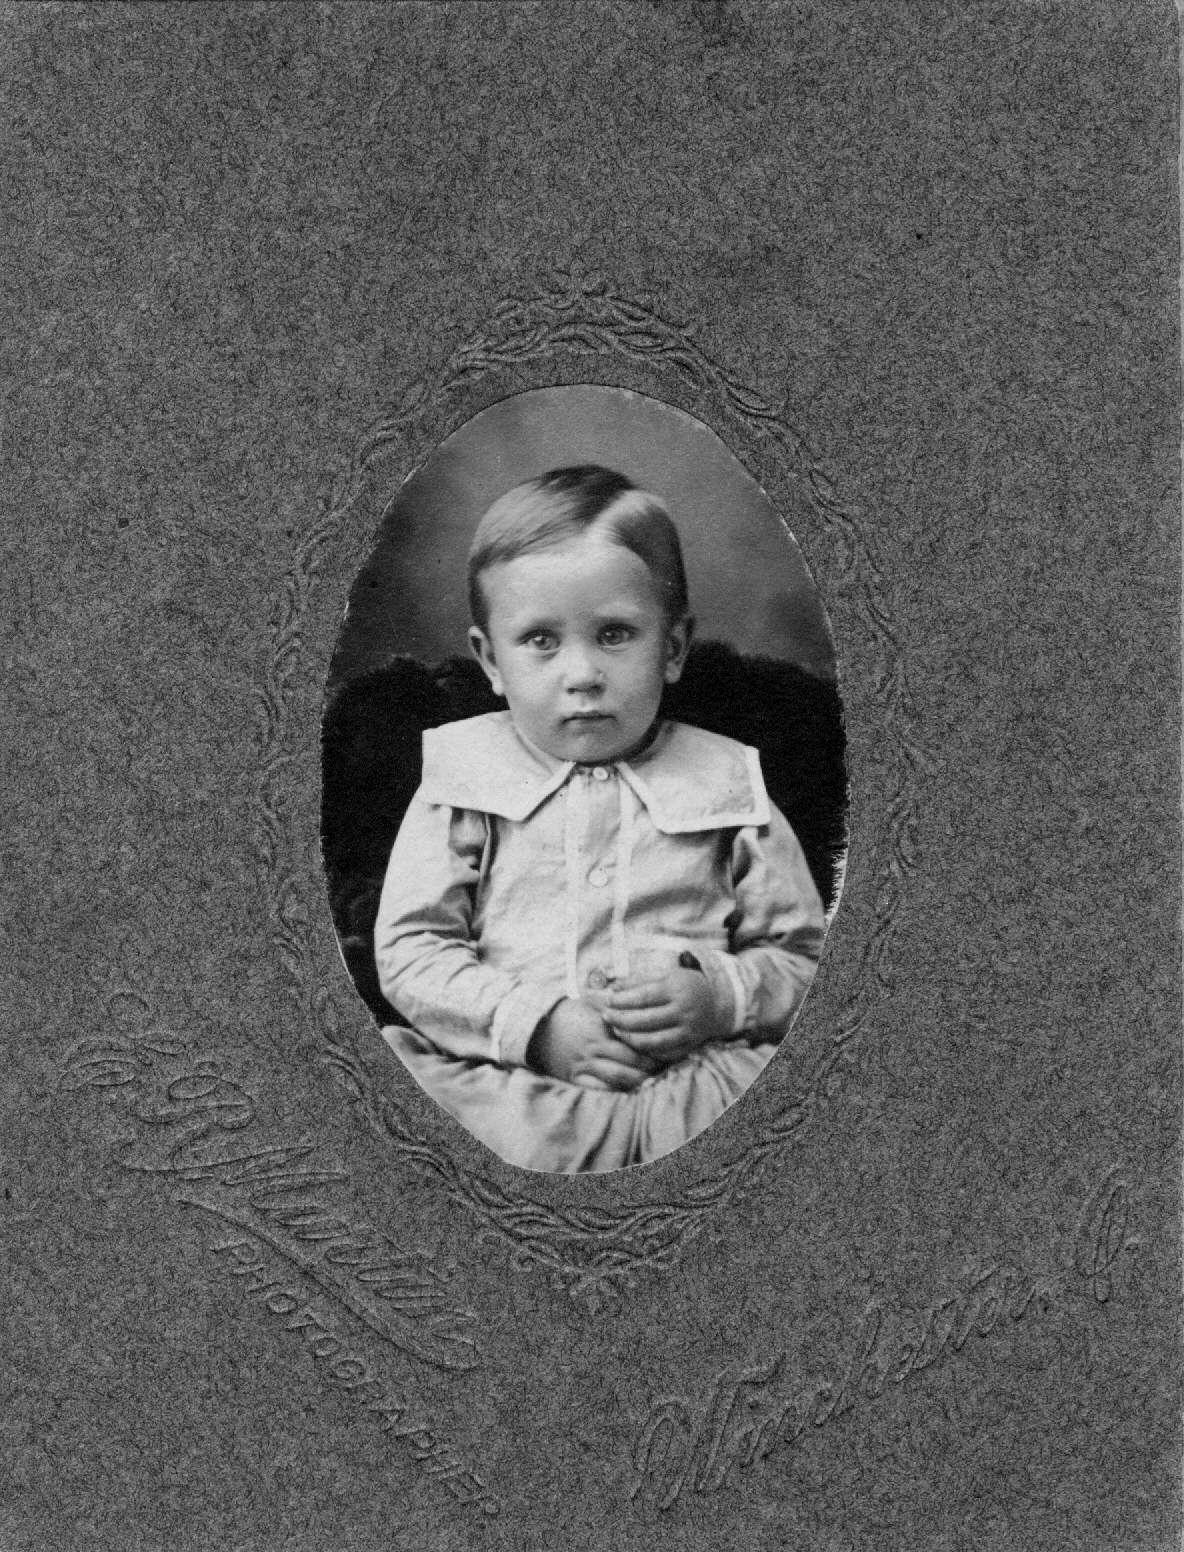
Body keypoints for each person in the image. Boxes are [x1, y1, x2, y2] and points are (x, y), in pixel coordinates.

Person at [373, 464, 826, 1173]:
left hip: (696, 1089)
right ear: (491, 661)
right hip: (513, 1086)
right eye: (541, 641)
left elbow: (807, 962)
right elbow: (411, 951)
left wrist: (718, 997)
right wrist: (537, 1027)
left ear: (672, 648)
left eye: (615, 634)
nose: (582, 674)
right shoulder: (462, 785)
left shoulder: (729, 788)